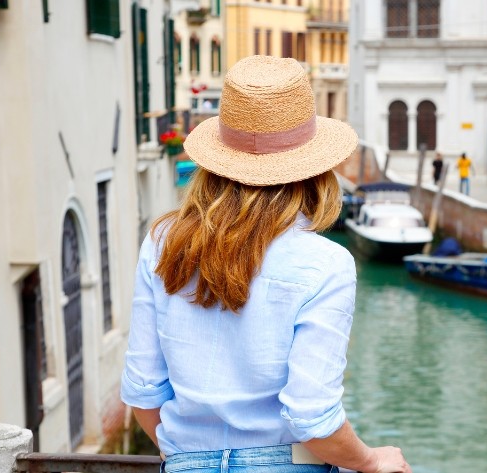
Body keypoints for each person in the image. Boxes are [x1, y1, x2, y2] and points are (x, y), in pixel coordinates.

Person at [120, 56, 411, 473]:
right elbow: (312, 419)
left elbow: (143, 391)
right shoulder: (327, 264)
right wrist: (371, 461)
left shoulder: (162, 242)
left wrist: (193, 460)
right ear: (314, 171)